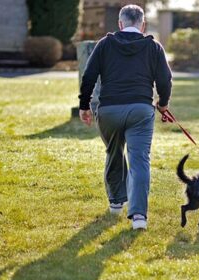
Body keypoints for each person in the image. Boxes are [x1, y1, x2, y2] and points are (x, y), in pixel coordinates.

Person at [78, 4, 172, 230]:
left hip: (109, 110)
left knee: (113, 152)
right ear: (143, 24)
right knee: (139, 160)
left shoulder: (104, 45)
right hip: (140, 110)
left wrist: (84, 106)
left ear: (120, 24)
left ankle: (116, 203)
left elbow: (88, 76)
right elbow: (165, 80)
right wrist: (163, 104)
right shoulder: (154, 47)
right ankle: (139, 216)